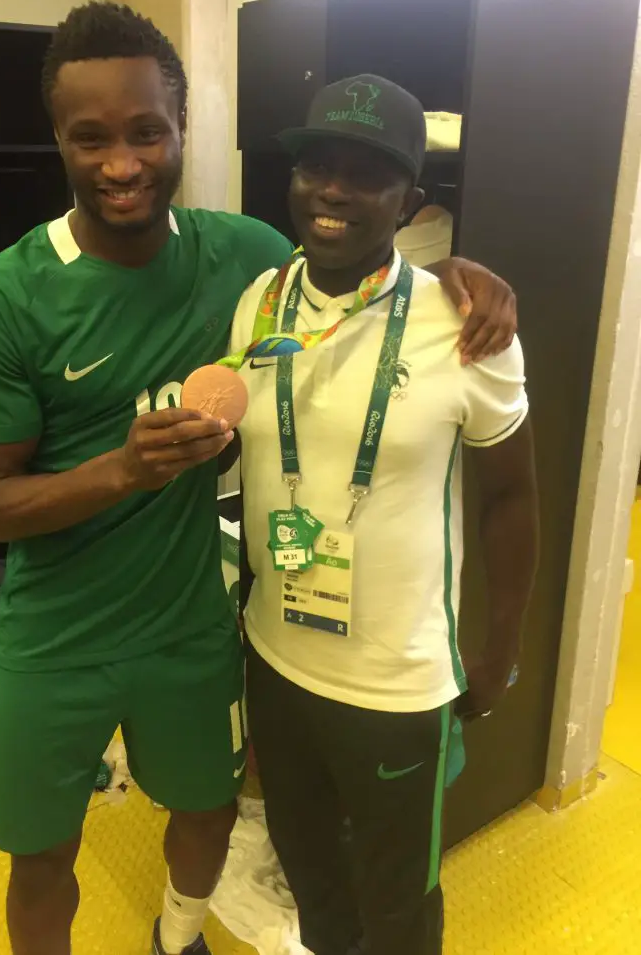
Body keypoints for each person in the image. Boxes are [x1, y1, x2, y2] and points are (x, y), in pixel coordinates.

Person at [0, 2, 519, 955]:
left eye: (146, 132)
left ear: (183, 128)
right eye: (91, 138)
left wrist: (453, 269)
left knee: (208, 809)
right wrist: (122, 469)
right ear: (59, 139)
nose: (122, 163)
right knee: (40, 853)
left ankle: (177, 939)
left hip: (196, 625)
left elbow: (351, 261)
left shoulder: (246, 260)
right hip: (57, 633)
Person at [230, 74, 539, 955]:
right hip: (276, 659)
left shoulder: (467, 326)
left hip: (397, 686)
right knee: (310, 871)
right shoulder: (257, 303)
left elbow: (512, 496)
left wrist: (500, 650)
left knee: (399, 903)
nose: (332, 189)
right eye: (315, 165)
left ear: (411, 200)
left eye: (366, 173)